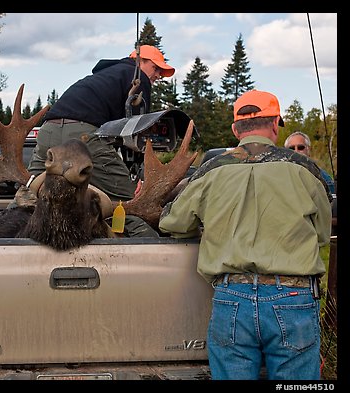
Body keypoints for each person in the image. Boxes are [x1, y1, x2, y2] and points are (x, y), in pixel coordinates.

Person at [158, 90, 332, 380]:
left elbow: (172, 223)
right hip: (292, 297)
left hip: (232, 297)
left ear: (235, 129)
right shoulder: (305, 170)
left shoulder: (211, 170)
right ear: (276, 124)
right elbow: (322, 235)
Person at [27, 45, 175, 237]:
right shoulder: (138, 77)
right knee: (130, 203)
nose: (157, 75)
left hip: (48, 130)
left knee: (28, 194)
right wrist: (141, 176)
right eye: (156, 68)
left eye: (161, 72)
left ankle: (5, 236)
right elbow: (136, 131)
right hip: (82, 135)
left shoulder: (106, 76)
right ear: (140, 61)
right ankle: (147, 249)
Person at [284, 131, 336, 195]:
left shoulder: (324, 177)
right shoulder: (281, 176)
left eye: (300, 147)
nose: (296, 151)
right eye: (292, 148)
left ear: (308, 150)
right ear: (285, 151)